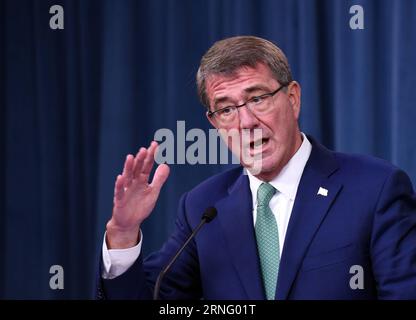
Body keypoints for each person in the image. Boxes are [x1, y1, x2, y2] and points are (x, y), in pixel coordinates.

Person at [97, 36, 416, 300]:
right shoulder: (203, 208)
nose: (246, 122)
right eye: (226, 109)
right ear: (214, 123)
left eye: (258, 98)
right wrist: (123, 234)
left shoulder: (374, 188)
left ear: (292, 98)